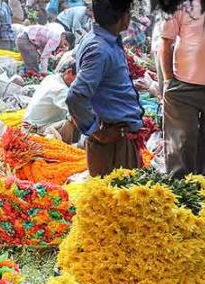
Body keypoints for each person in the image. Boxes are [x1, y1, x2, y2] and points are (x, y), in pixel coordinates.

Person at [160, 0, 205, 192]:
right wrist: (169, 80)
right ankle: (180, 195)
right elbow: (166, 43)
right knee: (181, 143)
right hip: (182, 87)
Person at [66, 0, 144, 176]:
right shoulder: (99, 49)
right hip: (112, 142)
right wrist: (97, 133)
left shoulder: (105, 42)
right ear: (124, 18)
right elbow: (75, 96)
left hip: (117, 138)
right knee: (116, 199)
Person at [22, 56, 77, 140]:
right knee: (71, 123)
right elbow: (76, 113)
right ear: (69, 72)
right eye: (77, 79)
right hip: (36, 129)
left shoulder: (51, 78)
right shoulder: (61, 89)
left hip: (31, 123)